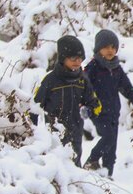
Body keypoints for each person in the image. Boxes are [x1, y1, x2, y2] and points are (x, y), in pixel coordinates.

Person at [83, 29, 133, 177]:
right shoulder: (92, 68)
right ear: (98, 49)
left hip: (113, 113)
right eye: (106, 47)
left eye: (113, 47)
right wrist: (84, 105)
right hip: (97, 112)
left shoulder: (116, 69)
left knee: (111, 148)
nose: (110, 50)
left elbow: (129, 89)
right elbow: (83, 88)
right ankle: (91, 161)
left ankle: (108, 175)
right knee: (108, 138)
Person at [33, 35, 102, 166]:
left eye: (80, 58)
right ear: (63, 58)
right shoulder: (50, 80)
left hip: (75, 131)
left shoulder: (82, 80)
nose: (77, 61)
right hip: (53, 132)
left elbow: (95, 104)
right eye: (73, 58)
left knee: (74, 164)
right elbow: (35, 105)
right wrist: (31, 128)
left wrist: (88, 111)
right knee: (55, 163)